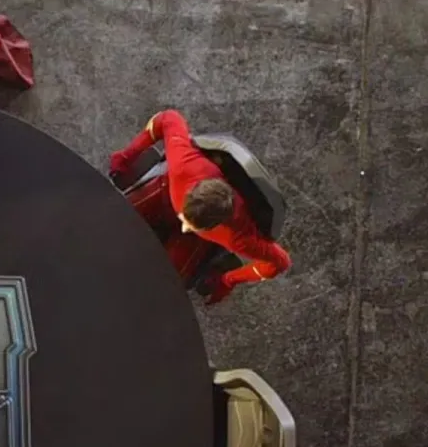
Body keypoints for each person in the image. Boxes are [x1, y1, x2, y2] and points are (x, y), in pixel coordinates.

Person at [109, 109, 292, 304]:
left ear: (216, 225)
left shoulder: (238, 236)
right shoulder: (184, 165)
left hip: (196, 238)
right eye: (185, 219)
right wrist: (126, 156)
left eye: (192, 226)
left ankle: (209, 259)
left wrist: (228, 280)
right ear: (191, 192)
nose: (184, 227)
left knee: (164, 285)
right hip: (167, 191)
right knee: (109, 217)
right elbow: (168, 118)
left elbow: (281, 262)